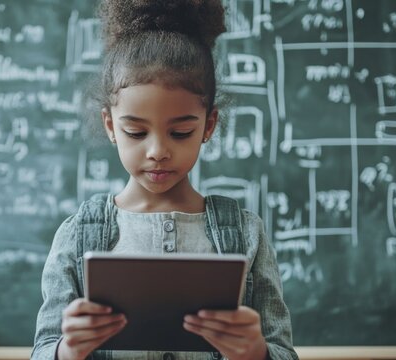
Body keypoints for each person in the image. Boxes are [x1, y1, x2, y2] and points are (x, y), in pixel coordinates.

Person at [32, 1, 298, 359]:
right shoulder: (77, 235)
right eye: (136, 132)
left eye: (181, 132)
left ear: (209, 125)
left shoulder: (246, 233)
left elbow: (282, 351)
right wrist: (67, 350)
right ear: (111, 126)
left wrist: (256, 352)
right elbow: (43, 351)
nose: (158, 151)